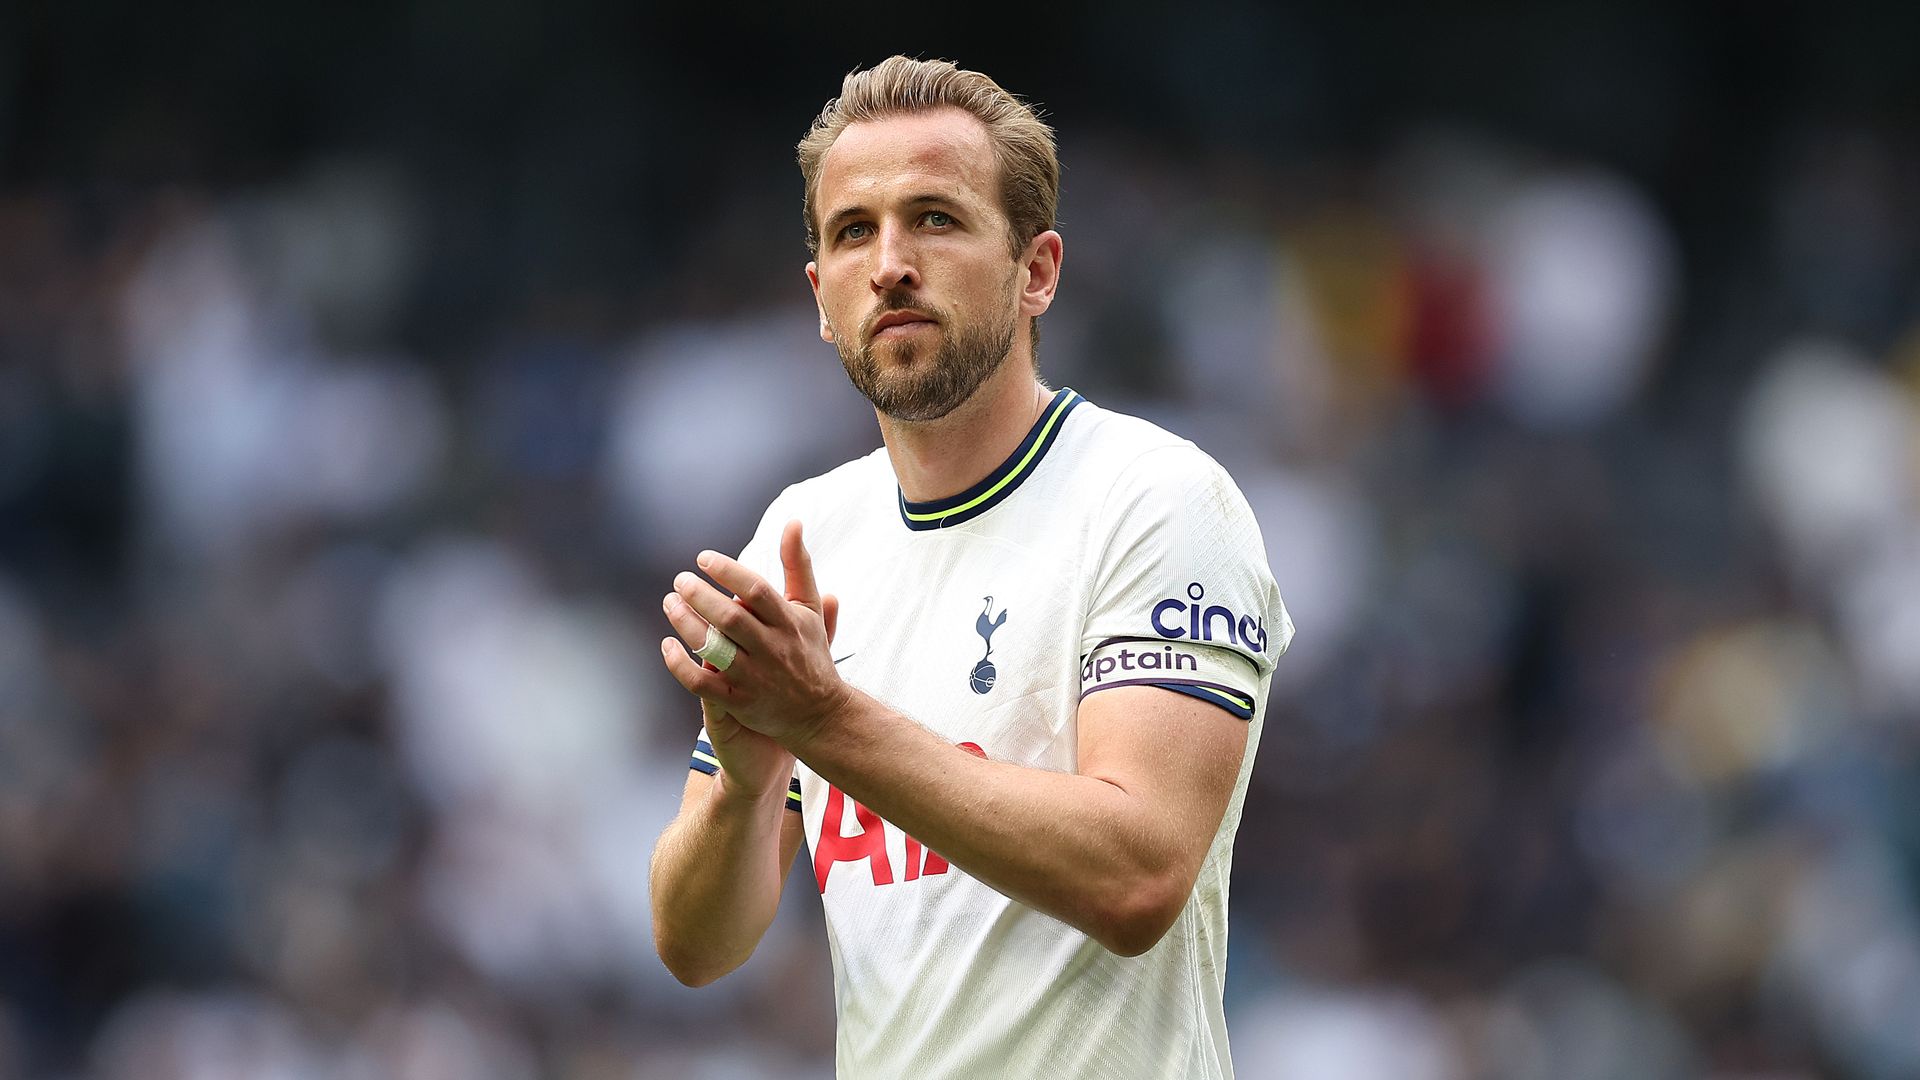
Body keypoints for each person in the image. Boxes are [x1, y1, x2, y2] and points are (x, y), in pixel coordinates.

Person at [648, 56, 1293, 1079]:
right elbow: (697, 947)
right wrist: (745, 773)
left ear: (1036, 271)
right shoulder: (802, 533)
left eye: (936, 219)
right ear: (821, 296)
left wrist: (820, 721)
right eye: (853, 231)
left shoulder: (1156, 500)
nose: (890, 262)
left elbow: (1138, 878)